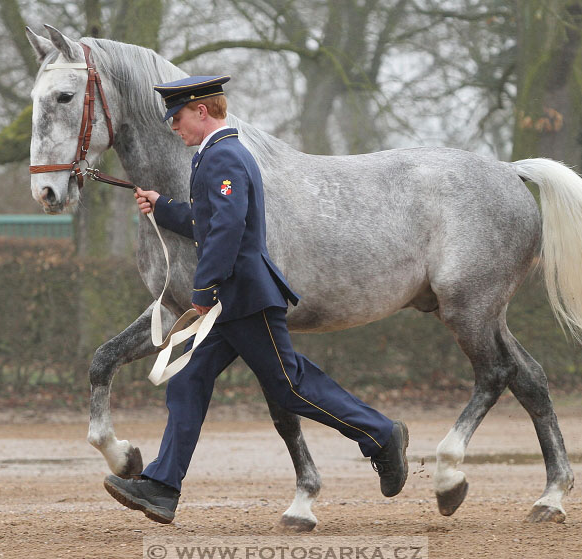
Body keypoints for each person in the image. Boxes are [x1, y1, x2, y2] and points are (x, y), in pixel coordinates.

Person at [102, 75, 408, 524]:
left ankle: (381, 435)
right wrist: (163, 207)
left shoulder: (223, 156)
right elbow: (209, 221)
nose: (175, 126)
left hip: (242, 297)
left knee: (289, 385)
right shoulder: (214, 156)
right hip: (231, 298)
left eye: (179, 117)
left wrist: (203, 292)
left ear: (202, 111)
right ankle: (162, 488)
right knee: (187, 383)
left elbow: (227, 230)